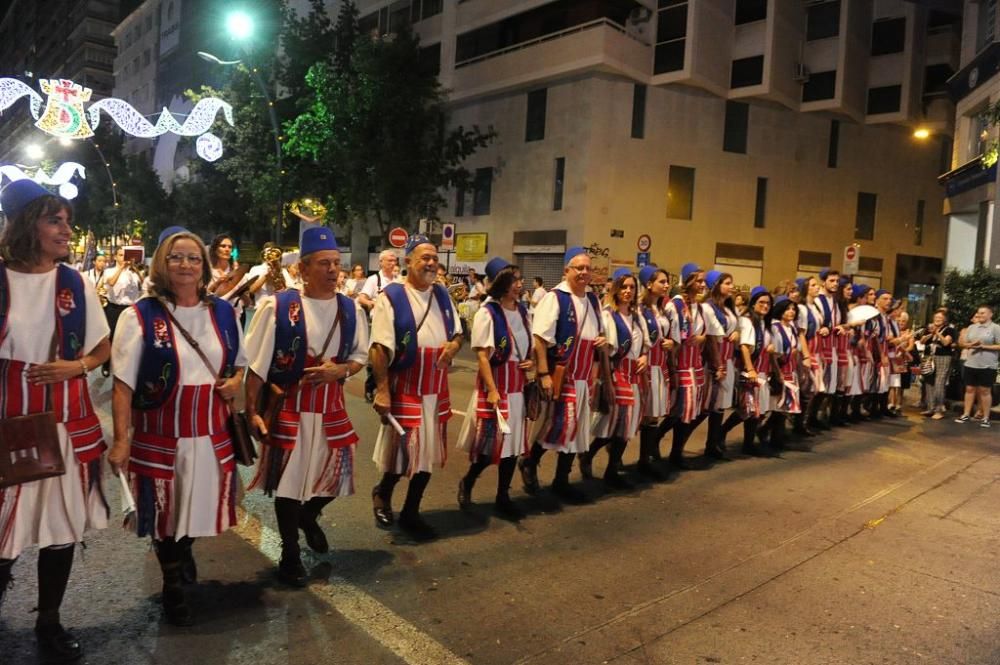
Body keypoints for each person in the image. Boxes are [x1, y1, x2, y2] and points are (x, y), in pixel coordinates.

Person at [108, 230, 246, 626]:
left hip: (210, 428)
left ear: (203, 267)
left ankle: (184, 548)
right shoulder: (140, 315)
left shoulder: (222, 312)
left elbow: (238, 361)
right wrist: (121, 440)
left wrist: (235, 381)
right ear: (161, 265)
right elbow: (123, 384)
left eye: (194, 259)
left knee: (200, 506)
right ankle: (171, 583)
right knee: (163, 510)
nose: (185, 265)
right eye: (176, 258)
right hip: (160, 431)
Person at [0, 181, 111, 663]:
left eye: (66, 220)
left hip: (68, 425)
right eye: (54, 220)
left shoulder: (75, 283)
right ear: (28, 225)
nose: (66, 230)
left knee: (61, 529)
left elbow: (103, 346)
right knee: (4, 533)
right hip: (10, 426)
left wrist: (77, 366)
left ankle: (50, 622)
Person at [245, 228, 368, 585]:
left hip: (331, 409)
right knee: (289, 485)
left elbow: (360, 355)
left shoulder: (350, 309)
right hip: (290, 409)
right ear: (302, 268)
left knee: (333, 480)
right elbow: (256, 364)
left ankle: (308, 516)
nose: (333, 270)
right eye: (324, 264)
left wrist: (342, 369)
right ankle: (290, 554)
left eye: (336, 264)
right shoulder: (279, 306)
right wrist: (252, 410)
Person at [369, 235, 462, 541]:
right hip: (407, 385)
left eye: (434, 258)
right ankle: (383, 493)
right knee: (403, 453)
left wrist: (453, 346)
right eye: (424, 258)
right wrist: (382, 390)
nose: (431, 263)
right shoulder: (392, 296)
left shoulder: (443, 296)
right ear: (408, 261)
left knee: (428, 454)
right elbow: (379, 348)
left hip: (436, 388)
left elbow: (458, 333)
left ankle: (411, 511)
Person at [518, 247, 607, 504]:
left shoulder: (592, 299)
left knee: (577, 431)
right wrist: (544, 373)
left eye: (588, 268)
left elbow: (595, 333)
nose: (584, 272)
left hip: (584, 377)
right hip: (562, 374)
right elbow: (540, 339)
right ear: (566, 270)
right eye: (579, 268)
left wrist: (601, 341)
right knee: (559, 425)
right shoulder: (555, 298)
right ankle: (529, 460)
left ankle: (561, 480)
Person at [456, 257, 533, 519]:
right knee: (491, 448)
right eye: (514, 281)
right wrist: (491, 390)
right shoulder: (488, 314)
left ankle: (503, 495)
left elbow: (526, 346)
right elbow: (482, 356)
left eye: (520, 280)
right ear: (501, 284)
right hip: (497, 387)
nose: (519, 285)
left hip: (518, 387)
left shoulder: (523, 311)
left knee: (511, 448)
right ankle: (468, 481)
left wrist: (529, 362)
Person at [583, 268, 648, 490]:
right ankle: (593, 457)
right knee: (616, 426)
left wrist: (645, 358)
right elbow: (606, 350)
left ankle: (608, 467)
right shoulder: (608, 315)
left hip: (634, 375)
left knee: (625, 428)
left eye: (632, 287)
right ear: (615, 289)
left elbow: (645, 346)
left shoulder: (637, 317)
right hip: (617, 372)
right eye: (624, 287)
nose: (628, 291)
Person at [663, 263, 709, 471]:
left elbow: (705, 333)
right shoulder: (676, 305)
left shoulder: (699, 306)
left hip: (695, 364)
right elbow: (671, 337)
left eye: (703, 281)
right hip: (680, 364)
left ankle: (676, 451)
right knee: (678, 412)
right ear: (688, 281)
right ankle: (663, 446)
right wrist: (671, 368)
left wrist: (701, 338)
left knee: (691, 412)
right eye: (698, 281)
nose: (702, 284)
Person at [635, 265, 674, 479]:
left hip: (659, 367)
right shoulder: (639, 308)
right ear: (649, 284)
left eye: (667, 282)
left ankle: (644, 460)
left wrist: (669, 343)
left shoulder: (662, 308)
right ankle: (593, 453)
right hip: (644, 367)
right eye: (662, 281)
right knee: (634, 417)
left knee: (652, 417)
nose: (666, 285)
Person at [733, 286, 776, 457]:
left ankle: (748, 443)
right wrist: (750, 369)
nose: (765, 306)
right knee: (748, 409)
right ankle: (722, 435)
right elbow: (744, 346)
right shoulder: (748, 320)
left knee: (755, 411)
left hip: (763, 370)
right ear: (753, 303)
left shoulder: (765, 322)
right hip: (751, 370)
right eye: (761, 302)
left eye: (768, 303)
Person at [702, 271, 739, 459]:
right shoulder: (708, 307)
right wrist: (718, 365)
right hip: (715, 361)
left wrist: (736, 334)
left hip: (728, 359)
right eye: (727, 283)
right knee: (707, 407)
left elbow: (735, 328)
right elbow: (711, 339)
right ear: (716, 285)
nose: (731, 286)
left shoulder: (729, 307)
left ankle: (712, 444)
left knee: (720, 407)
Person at [764, 295, 809, 451]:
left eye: (793, 309)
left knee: (783, 409)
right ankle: (773, 437)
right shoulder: (776, 327)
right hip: (780, 371)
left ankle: (771, 435)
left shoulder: (792, 328)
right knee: (777, 407)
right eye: (788, 309)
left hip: (790, 371)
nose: (791, 312)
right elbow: (773, 354)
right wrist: (778, 373)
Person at [102, 245, 144, 377]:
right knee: (112, 337)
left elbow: (144, 284)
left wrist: (135, 269)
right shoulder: (109, 271)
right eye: (120, 255)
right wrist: (120, 268)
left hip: (130, 309)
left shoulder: (133, 273)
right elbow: (111, 283)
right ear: (115, 257)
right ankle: (106, 364)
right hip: (113, 308)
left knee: (129, 338)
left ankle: (125, 367)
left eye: (125, 255)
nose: (123, 258)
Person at [955, 305, 1000, 428]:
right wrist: (971, 344)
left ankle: (986, 417)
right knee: (969, 389)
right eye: (979, 313)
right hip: (971, 363)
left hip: (987, 365)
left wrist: (984, 346)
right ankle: (966, 414)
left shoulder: (995, 328)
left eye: (983, 313)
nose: (980, 315)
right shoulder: (972, 327)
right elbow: (963, 344)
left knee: (985, 391)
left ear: (990, 314)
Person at [814, 269, 846, 427]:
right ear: (823, 282)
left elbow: (835, 322)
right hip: (820, 347)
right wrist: (824, 328)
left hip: (832, 345)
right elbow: (815, 323)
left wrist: (839, 327)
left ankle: (816, 417)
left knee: (828, 383)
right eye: (832, 280)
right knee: (818, 383)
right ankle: (808, 419)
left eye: (837, 281)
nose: (835, 284)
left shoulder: (834, 301)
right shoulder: (818, 300)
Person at [796, 277, 824, 436]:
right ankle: (798, 423)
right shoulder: (802, 308)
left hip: (815, 349)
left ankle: (802, 422)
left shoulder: (815, 307)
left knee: (811, 389)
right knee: (805, 389)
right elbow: (801, 333)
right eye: (813, 285)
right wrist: (806, 355)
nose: (817, 288)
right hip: (805, 351)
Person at [920, 310, 955, 419]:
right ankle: (930, 408)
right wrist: (931, 333)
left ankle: (938, 410)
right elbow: (922, 341)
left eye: (940, 317)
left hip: (943, 357)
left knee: (939, 383)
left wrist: (937, 333)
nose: (937, 319)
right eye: (936, 317)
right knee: (928, 382)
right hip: (929, 357)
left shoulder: (949, 329)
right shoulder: (929, 328)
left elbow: (946, 342)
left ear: (945, 319)